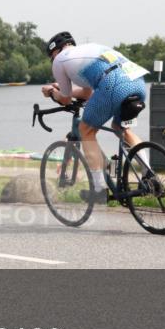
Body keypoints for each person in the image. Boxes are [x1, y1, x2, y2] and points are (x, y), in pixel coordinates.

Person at [40, 31, 149, 202]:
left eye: (51, 56)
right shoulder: (89, 50)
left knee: (86, 130)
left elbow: (66, 99)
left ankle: (99, 190)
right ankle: (148, 173)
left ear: (56, 51)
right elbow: (86, 93)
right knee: (121, 128)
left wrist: (53, 93)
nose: (52, 60)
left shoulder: (60, 60)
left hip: (113, 84)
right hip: (137, 82)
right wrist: (60, 90)